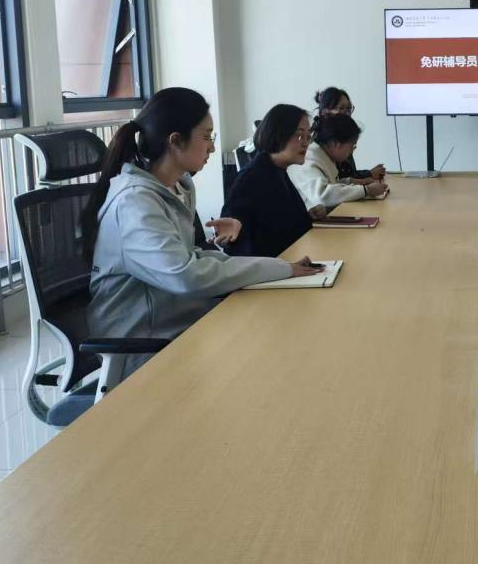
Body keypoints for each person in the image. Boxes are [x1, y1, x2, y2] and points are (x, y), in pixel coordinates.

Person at [83, 88, 322, 379]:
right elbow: (187, 274)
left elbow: (192, 257)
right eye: (207, 137)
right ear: (175, 141)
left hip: (180, 319)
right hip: (144, 343)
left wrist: (280, 268)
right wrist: (280, 269)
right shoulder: (135, 202)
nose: (212, 147)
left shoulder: (177, 187)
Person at [222, 104, 324, 259]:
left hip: (288, 261)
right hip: (269, 268)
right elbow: (236, 239)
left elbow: (279, 223)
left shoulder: (276, 169)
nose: (305, 143)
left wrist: (307, 217)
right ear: (278, 134)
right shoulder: (253, 177)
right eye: (299, 135)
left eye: (308, 136)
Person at [290, 113, 387, 210]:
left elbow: (332, 184)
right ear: (336, 143)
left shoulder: (322, 155)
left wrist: (354, 181)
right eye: (351, 145)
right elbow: (323, 195)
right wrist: (366, 190)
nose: (352, 150)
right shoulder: (309, 159)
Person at [314, 86, 386, 184]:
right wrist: (369, 175)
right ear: (325, 112)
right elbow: (338, 180)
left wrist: (368, 174)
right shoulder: (320, 143)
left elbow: (345, 175)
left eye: (349, 108)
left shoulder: (344, 134)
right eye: (341, 108)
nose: (347, 113)